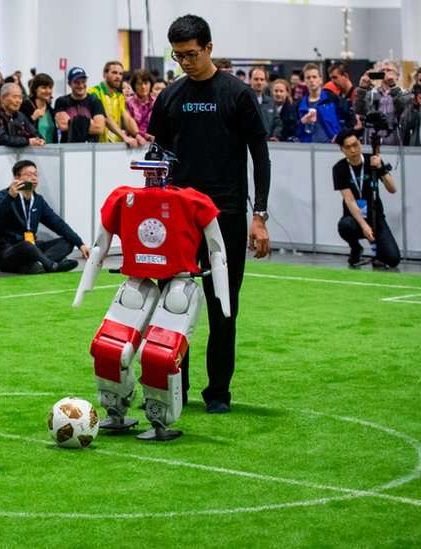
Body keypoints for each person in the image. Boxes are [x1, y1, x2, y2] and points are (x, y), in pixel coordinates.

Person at [147, 14, 271, 414]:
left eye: (192, 54)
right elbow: (158, 157)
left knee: (223, 304)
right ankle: (174, 387)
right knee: (173, 306)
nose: (185, 62)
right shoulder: (171, 96)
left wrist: (260, 215)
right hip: (178, 217)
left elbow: (260, 155)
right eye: (178, 55)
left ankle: (218, 391)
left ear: (210, 48)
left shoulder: (237, 93)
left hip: (228, 215)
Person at [0, 160, 89, 274]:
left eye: (35, 174)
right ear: (17, 177)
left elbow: (58, 224)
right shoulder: (4, 195)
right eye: (29, 175)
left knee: (68, 242)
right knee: (27, 246)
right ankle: (51, 266)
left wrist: (80, 244)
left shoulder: (38, 200)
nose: (34, 178)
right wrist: (10, 197)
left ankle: (37, 266)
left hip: (31, 249)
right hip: (8, 252)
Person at [332, 129, 400, 268]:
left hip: (376, 217)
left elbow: (392, 189)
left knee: (393, 259)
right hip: (355, 218)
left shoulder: (373, 160)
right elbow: (349, 200)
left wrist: (381, 168)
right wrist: (364, 226)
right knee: (345, 226)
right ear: (342, 150)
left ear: (360, 143)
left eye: (355, 145)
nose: (353, 150)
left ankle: (379, 255)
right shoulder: (339, 168)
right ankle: (356, 248)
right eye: (348, 147)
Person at [356, 60, 411, 146]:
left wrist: (393, 86)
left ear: (397, 75)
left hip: (395, 144)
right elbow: (359, 111)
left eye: (389, 70)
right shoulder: (371, 93)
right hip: (372, 142)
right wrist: (362, 89)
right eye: (382, 71)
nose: (385, 73)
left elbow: (402, 110)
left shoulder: (405, 93)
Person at [89, 61, 144, 147]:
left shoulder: (119, 96)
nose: (118, 76)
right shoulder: (94, 92)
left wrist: (137, 134)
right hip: (98, 146)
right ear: (105, 74)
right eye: (114, 73)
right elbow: (105, 118)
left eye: (120, 74)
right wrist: (124, 137)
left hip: (116, 146)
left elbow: (127, 118)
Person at [297, 63, 350, 143]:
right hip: (308, 148)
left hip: (332, 147)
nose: (311, 80)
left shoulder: (333, 99)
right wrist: (302, 122)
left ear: (320, 79)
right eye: (308, 78)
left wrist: (340, 137)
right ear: (304, 81)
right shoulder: (299, 105)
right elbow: (293, 130)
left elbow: (348, 121)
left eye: (314, 77)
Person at [0, 83, 44, 147]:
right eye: (14, 97)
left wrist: (39, 140)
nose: (18, 101)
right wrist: (28, 141)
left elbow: (35, 133)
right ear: (2, 98)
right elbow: (3, 139)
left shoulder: (21, 116)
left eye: (20, 97)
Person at [54, 67, 106, 143]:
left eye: (83, 82)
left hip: (90, 150)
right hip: (67, 149)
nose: (81, 85)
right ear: (69, 84)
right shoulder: (61, 101)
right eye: (77, 82)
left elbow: (99, 129)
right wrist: (88, 123)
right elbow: (63, 126)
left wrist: (71, 123)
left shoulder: (95, 101)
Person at [19, 72, 56, 143]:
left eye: (50, 87)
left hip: (51, 151)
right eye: (44, 88)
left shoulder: (51, 110)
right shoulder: (25, 106)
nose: (48, 91)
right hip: (32, 151)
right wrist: (32, 118)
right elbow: (18, 130)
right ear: (35, 89)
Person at [249, 67, 282, 140]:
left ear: (265, 82)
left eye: (262, 79)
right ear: (250, 80)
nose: (259, 82)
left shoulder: (270, 102)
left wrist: (275, 136)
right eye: (256, 79)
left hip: (268, 144)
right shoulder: (243, 101)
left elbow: (277, 123)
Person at [126, 69, 155, 141]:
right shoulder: (128, 102)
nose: (143, 87)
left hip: (152, 142)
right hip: (133, 143)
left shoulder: (157, 102)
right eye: (139, 84)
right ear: (134, 86)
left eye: (146, 83)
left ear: (151, 84)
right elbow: (127, 124)